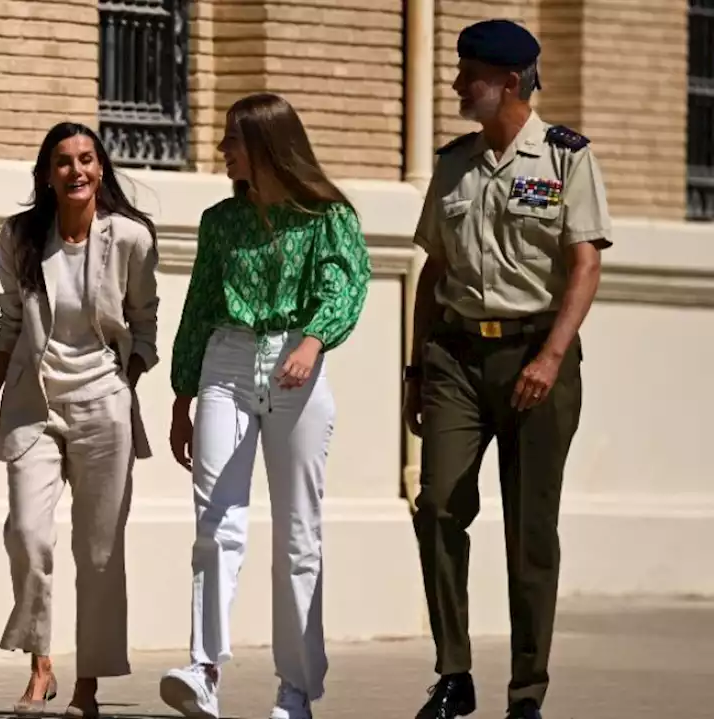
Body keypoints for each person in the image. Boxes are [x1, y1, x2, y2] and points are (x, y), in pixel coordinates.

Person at [403, 20, 611, 719]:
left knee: (529, 530)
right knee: (436, 505)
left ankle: (526, 693)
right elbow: (434, 267)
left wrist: (552, 355)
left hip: (534, 356)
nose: (458, 84)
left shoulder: (566, 159)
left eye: (471, 75)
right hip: (456, 356)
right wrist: (414, 369)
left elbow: (585, 262)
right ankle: (455, 673)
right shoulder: (454, 162)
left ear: (510, 83)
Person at [158, 93, 371, 719]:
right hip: (224, 360)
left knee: (297, 533)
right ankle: (203, 670)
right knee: (215, 521)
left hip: (296, 365)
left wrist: (311, 341)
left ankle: (295, 690)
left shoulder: (328, 216)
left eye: (233, 139)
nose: (222, 150)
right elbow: (198, 307)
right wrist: (182, 395)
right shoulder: (220, 221)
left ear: (266, 146)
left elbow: (346, 284)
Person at [0, 122, 159, 718]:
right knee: (27, 532)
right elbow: (10, 326)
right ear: (47, 175)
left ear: (101, 170)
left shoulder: (130, 238)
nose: (77, 171)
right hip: (33, 404)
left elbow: (144, 319)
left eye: (87, 160)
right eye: (64, 162)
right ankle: (40, 661)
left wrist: (129, 377)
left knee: (100, 553)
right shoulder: (22, 238)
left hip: (105, 404)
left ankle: (88, 686)